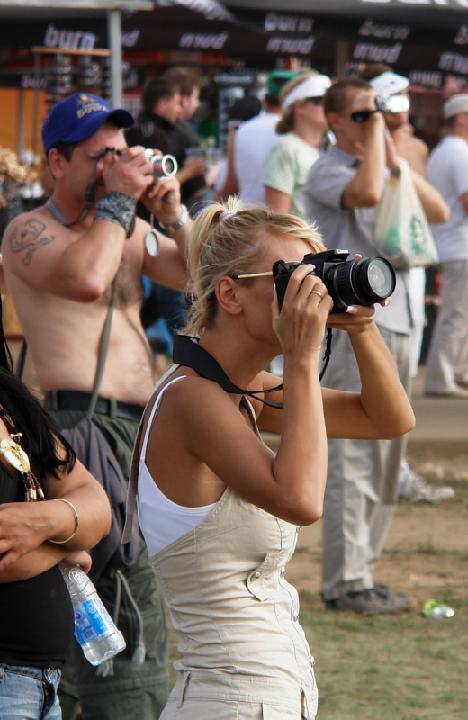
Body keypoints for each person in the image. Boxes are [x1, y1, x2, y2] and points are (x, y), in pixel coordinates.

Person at [126, 198, 415, 718]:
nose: (311, 295)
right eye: (293, 278)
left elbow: (388, 419)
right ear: (230, 293)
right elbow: (301, 499)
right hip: (230, 699)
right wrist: (301, 359)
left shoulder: (242, 390)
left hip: (260, 696)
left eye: (316, 277)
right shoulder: (191, 399)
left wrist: (361, 328)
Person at [2, 91, 191, 720]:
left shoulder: (128, 225)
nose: (116, 164)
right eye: (98, 155)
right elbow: (85, 278)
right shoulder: (30, 230)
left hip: (140, 431)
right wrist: (118, 198)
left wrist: (172, 213)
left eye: (120, 153)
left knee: (141, 589)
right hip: (80, 431)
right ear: (57, 163)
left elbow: (199, 279)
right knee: (113, 597)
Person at [303, 78, 448, 614]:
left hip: (400, 319)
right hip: (352, 325)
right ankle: (344, 580)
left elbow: (438, 211)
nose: (373, 122)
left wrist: (395, 155)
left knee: (390, 447)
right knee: (353, 453)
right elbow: (363, 194)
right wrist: (381, 141)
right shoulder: (327, 169)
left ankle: (363, 572)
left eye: (378, 113)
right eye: (361, 114)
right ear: (335, 121)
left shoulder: (388, 165)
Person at [0, 292, 111, 719]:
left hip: (39, 686)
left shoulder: (11, 405)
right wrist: (66, 545)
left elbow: (94, 500)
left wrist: (45, 523)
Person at [364, 66, 455, 502]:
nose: (403, 104)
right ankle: (385, 472)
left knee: (402, 386)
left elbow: (436, 211)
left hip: (411, 271)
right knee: (382, 387)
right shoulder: (368, 149)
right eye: (393, 97)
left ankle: (395, 469)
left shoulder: (415, 147)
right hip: (381, 278)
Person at [425, 94, 468, 399]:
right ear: (462, 118)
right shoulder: (459, 153)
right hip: (459, 245)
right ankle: (442, 378)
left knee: (458, 313)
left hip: (451, 243)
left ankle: (455, 372)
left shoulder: (444, 151)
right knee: (456, 314)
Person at [219, 69, 298, 204]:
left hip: (246, 219)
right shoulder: (299, 133)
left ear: (265, 100)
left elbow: (230, 188)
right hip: (289, 222)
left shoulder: (241, 131)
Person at [264, 71, 330, 218]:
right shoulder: (285, 149)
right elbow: (277, 220)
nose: (331, 108)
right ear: (299, 106)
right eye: (323, 101)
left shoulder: (328, 148)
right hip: (302, 240)